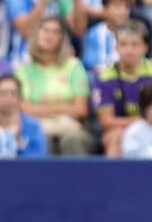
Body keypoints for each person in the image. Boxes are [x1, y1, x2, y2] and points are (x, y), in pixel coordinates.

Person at [15, 16, 93, 154]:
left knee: (73, 139)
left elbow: (81, 109)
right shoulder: (23, 71)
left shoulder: (74, 66)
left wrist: (41, 108)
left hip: (71, 126)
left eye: (56, 32)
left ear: (62, 38)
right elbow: (26, 110)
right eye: (45, 30)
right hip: (38, 127)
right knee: (41, 137)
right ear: (36, 34)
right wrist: (65, 107)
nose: (49, 36)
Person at [94, 20, 152, 155]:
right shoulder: (104, 75)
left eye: (135, 45)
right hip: (119, 129)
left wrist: (145, 122)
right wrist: (138, 121)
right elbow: (107, 121)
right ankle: (113, 175)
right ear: (116, 47)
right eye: (123, 44)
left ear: (145, 48)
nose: (129, 50)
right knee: (115, 137)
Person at [0, 74, 48, 156]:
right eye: (3, 94)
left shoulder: (33, 126)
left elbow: (38, 158)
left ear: (20, 98)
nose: (8, 98)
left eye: (13, 93)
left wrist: (19, 143)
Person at [82, 0, 130, 71]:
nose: (123, 11)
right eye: (117, 6)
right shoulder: (94, 33)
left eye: (126, 7)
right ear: (105, 10)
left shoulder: (133, 33)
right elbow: (90, 62)